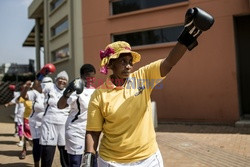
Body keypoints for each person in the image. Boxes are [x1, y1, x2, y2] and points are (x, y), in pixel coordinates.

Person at [84, 7, 214, 167]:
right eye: (123, 61)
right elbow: (93, 131)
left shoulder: (142, 77)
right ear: (111, 64)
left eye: (130, 62)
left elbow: (169, 62)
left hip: (148, 159)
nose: (128, 66)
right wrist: (88, 157)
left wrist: (187, 37)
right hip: (111, 162)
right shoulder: (99, 95)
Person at [57, 64, 96, 167]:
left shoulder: (96, 91)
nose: (91, 79)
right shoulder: (76, 90)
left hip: (92, 132)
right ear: (82, 76)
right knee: (75, 162)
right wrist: (67, 92)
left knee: (92, 161)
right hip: (76, 130)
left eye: (93, 77)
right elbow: (60, 106)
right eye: (88, 76)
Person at [39, 70, 70, 167]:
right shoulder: (49, 87)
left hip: (63, 125)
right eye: (60, 78)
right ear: (56, 79)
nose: (62, 81)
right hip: (49, 124)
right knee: (48, 153)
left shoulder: (69, 91)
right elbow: (37, 86)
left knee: (65, 155)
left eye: (65, 80)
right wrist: (41, 74)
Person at [20, 77, 53, 167]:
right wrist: (26, 87)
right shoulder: (35, 93)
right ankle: (36, 164)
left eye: (49, 82)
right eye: (44, 83)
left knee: (46, 146)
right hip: (35, 122)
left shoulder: (52, 93)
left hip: (48, 122)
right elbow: (24, 96)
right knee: (38, 143)